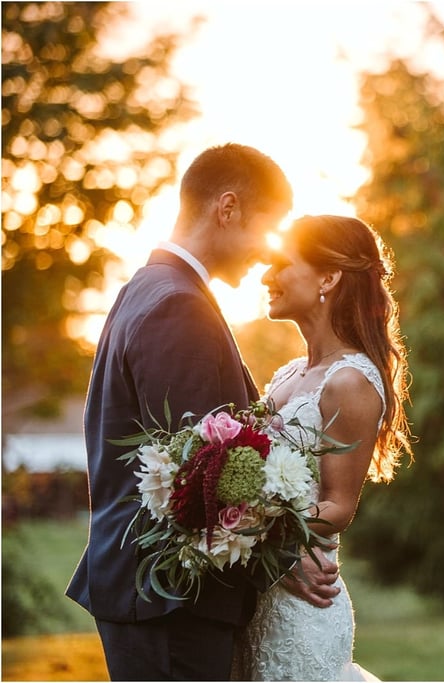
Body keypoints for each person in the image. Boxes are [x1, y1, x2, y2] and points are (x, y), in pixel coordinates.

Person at [67, 143, 342, 681]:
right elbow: (207, 472)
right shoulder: (178, 306)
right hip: (170, 598)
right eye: (269, 229)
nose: (269, 254)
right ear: (228, 208)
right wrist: (284, 553)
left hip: (156, 595)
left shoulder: (148, 289)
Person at [232, 214, 412, 681]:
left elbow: (338, 504)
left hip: (303, 609)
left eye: (280, 264)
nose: (265, 276)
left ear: (328, 278)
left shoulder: (350, 380)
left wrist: (255, 536)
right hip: (259, 596)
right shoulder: (288, 375)